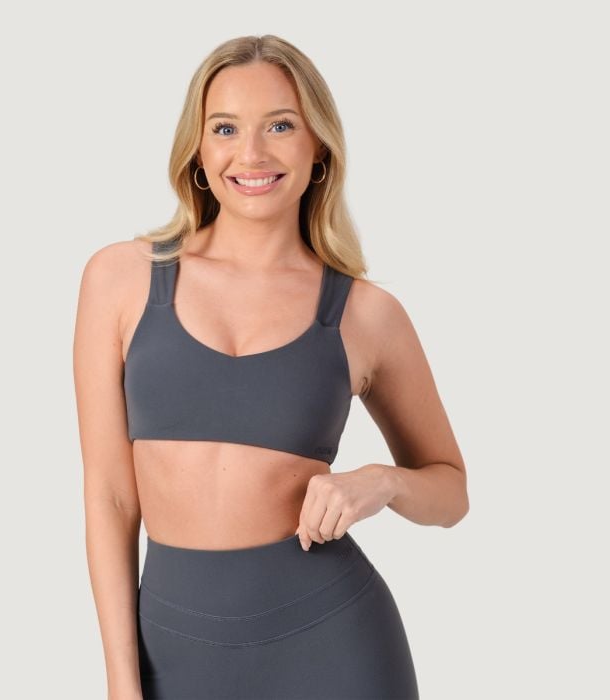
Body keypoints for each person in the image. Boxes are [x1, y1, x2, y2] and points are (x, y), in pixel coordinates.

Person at [73, 34, 468, 700]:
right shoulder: (121, 279)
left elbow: (451, 494)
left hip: (335, 644)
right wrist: (120, 680)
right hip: (173, 654)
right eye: (225, 128)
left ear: (319, 149)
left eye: (280, 126)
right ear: (199, 151)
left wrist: (381, 482)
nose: (251, 154)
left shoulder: (367, 314)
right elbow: (110, 497)